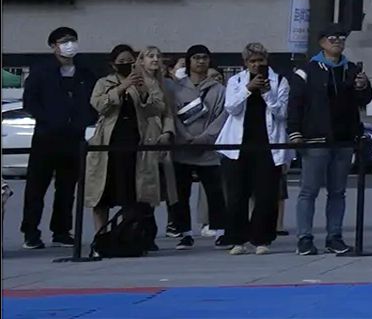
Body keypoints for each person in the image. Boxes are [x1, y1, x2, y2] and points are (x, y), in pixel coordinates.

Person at [288, 26, 372, 256]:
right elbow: (295, 102)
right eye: (332, 38)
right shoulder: (307, 70)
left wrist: (363, 87)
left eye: (342, 38)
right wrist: (294, 131)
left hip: (344, 137)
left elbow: (365, 99)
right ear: (321, 42)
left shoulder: (351, 68)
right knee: (309, 190)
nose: (338, 42)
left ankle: (334, 237)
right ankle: (305, 237)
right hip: (315, 137)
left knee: (338, 191)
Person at [84, 44, 170, 253]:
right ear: (113, 64)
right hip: (108, 144)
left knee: (134, 194)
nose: (126, 65)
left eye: (129, 61)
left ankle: (132, 236)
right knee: (102, 195)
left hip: (135, 143)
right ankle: (100, 238)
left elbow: (158, 108)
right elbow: (99, 105)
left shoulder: (147, 82)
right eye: (121, 62)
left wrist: (142, 92)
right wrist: (122, 88)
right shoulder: (104, 82)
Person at [19, 26, 98, 251]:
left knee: (67, 188)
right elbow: (30, 102)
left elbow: (94, 100)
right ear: (54, 46)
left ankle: (62, 231)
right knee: (36, 188)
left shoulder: (85, 72)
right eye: (64, 41)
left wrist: (84, 120)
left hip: (74, 138)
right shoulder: (41, 71)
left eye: (73, 40)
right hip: (46, 137)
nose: (69, 44)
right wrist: (49, 119)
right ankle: (31, 232)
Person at [215, 43, 289, 254]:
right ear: (246, 63)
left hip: (268, 144)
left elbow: (281, 112)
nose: (257, 65)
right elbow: (231, 107)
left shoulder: (279, 81)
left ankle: (262, 239)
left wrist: (266, 93)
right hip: (238, 144)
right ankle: (237, 238)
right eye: (252, 61)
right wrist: (248, 89)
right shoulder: (236, 81)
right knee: (237, 193)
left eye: (260, 61)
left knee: (266, 194)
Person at [164, 44, 226, 249]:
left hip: (208, 149)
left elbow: (221, 117)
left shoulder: (218, 89)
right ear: (189, 61)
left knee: (215, 192)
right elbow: (171, 115)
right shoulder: (175, 87)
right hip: (183, 148)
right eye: (197, 58)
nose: (201, 61)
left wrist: (205, 138)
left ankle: (220, 230)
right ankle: (184, 232)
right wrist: (185, 136)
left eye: (205, 58)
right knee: (181, 193)